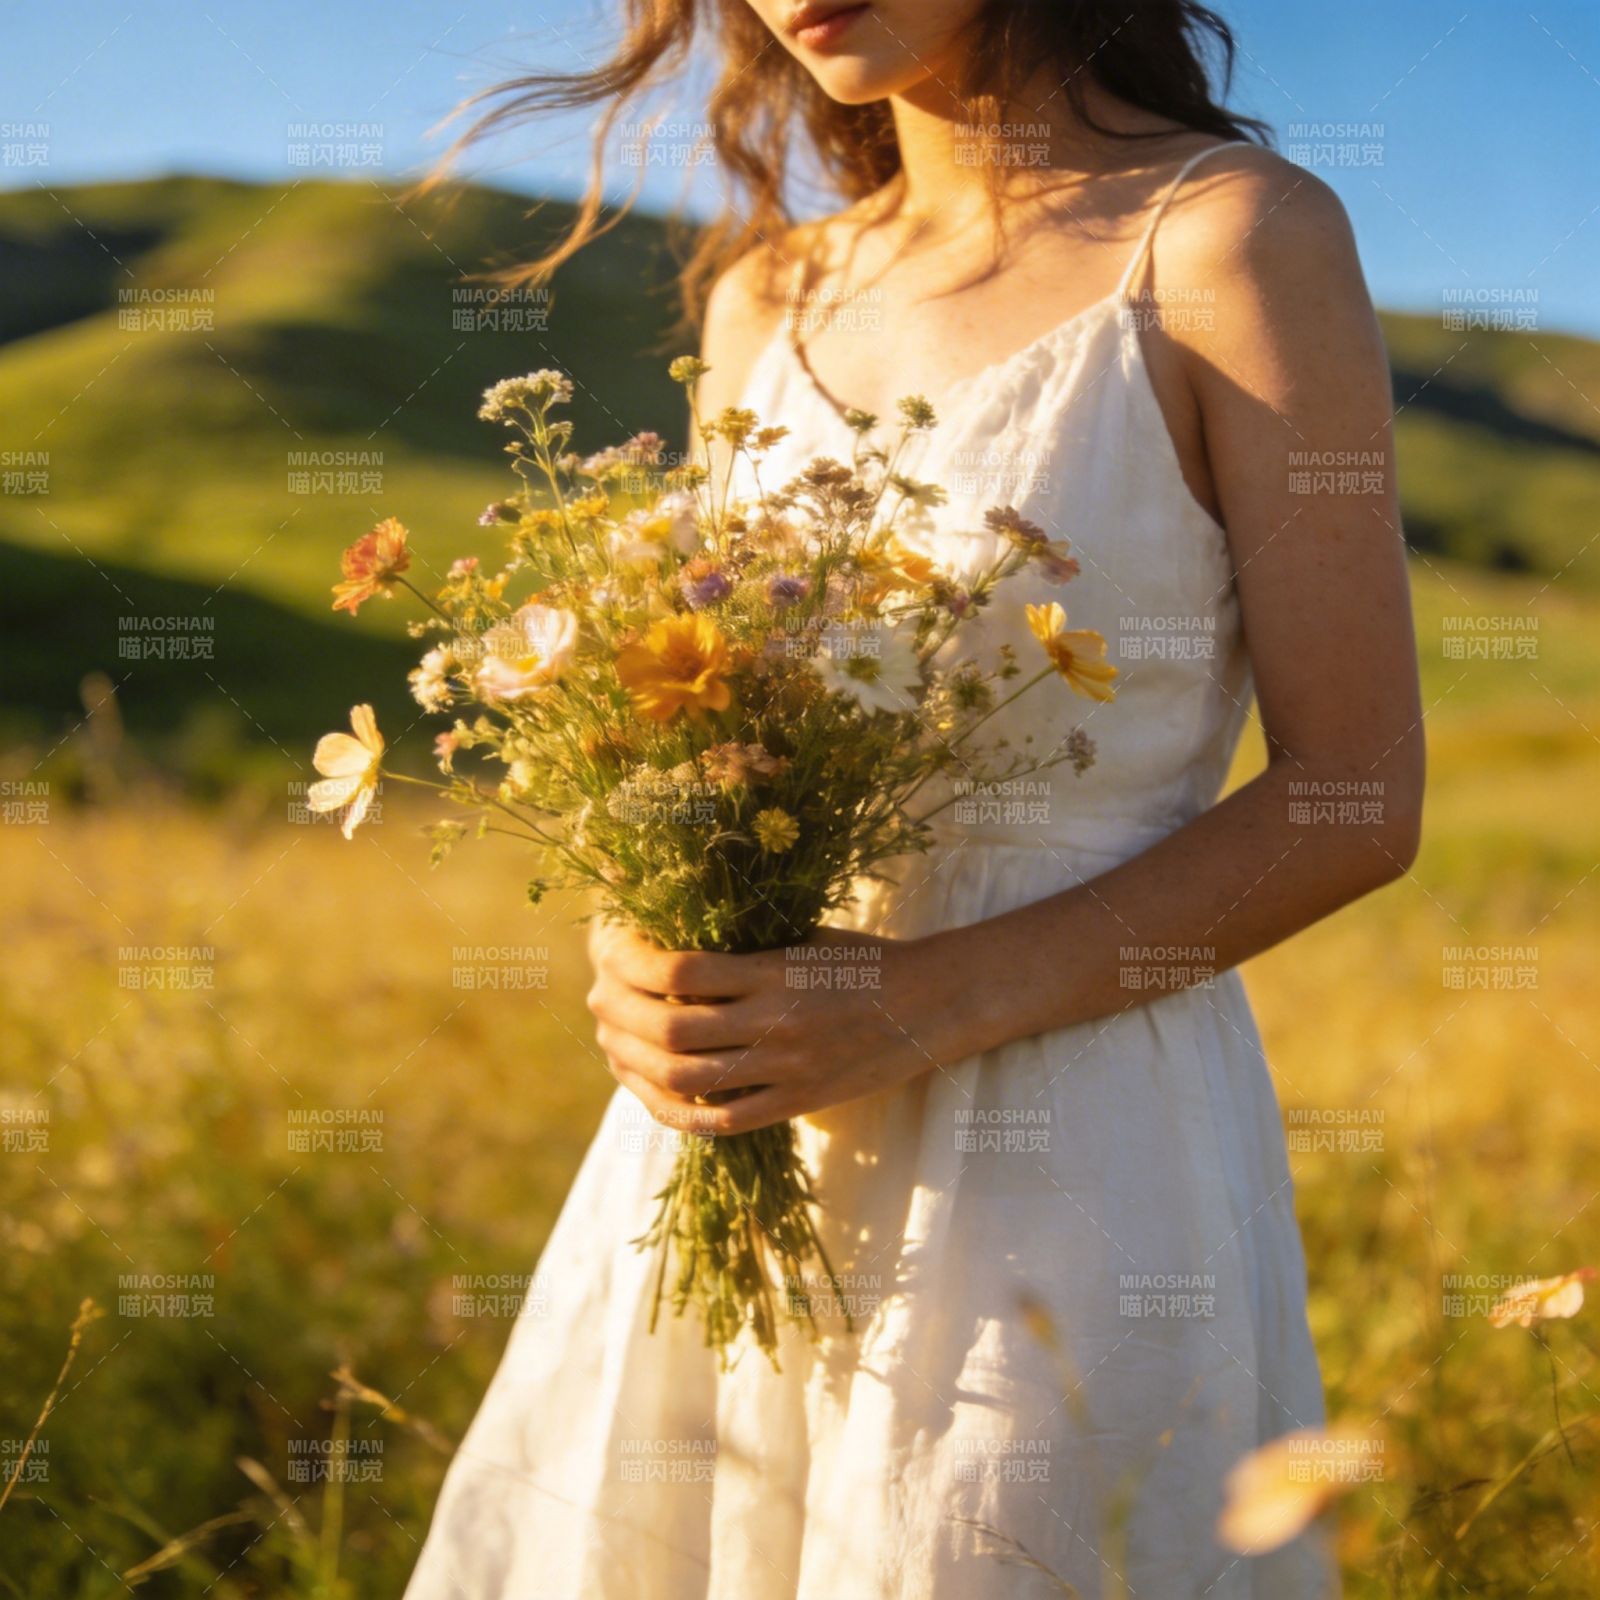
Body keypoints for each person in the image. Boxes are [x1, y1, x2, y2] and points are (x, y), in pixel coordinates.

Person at [405, 3, 1423, 1595]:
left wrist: (914, 1007)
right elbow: (700, 714)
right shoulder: (767, 301)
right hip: (737, 1129)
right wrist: (635, 936)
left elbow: (1358, 791)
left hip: (1074, 1137)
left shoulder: (1228, 239)